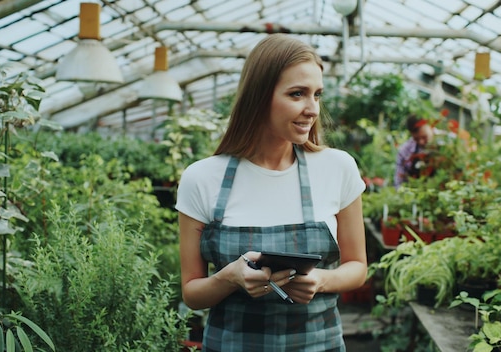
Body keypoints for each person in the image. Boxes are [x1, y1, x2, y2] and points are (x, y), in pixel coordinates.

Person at [176, 33, 368, 352]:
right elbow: (192, 293)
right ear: (260, 96)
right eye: (297, 94)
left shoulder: (337, 168)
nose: (312, 109)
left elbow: (357, 267)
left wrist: (320, 280)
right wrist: (230, 278)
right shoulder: (202, 178)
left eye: (317, 95)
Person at [394, 114, 435, 188]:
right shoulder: (404, 151)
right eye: (416, 139)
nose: (421, 142)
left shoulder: (450, 143)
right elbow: (399, 182)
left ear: (430, 126)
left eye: (424, 137)